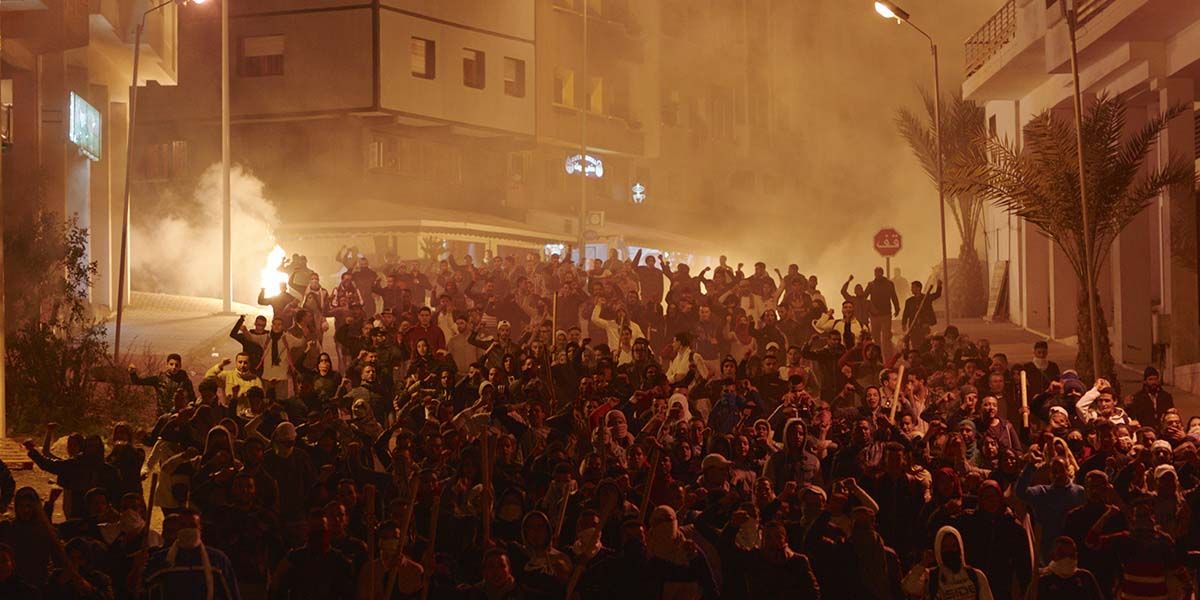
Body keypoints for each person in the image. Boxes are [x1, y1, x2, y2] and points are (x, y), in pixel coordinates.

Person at [143, 508, 241, 600]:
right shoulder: (161, 559)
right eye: (183, 526)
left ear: (200, 528)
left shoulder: (217, 559)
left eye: (192, 526)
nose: (188, 530)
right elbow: (141, 587)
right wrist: (137, 567)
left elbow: (231, 595)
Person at [901, 525, 994, 600]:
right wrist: (923, 563)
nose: (950, 551)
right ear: (939, 550)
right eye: (945, 547)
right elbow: (908, 587)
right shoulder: (930, 577)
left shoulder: (976, 576)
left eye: (954, 546)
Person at [1033, 536, 1104, 600]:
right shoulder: (1043, 580)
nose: (1067, 559)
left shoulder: (1085, 577)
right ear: (1052, 556)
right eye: (1062, 554)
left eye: (1072, 555)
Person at [865, 267, 900, 359]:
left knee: (886, 338)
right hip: (875, 315)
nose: (877, 274)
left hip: (886, 314)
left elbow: (894, 296)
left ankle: (887, 358)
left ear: (882, 273)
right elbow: (864, 297)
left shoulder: (889, 284)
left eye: (879, 272)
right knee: (876, 338)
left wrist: (897, 308)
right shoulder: (871, 285)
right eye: (876, 272)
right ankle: (878, 357)